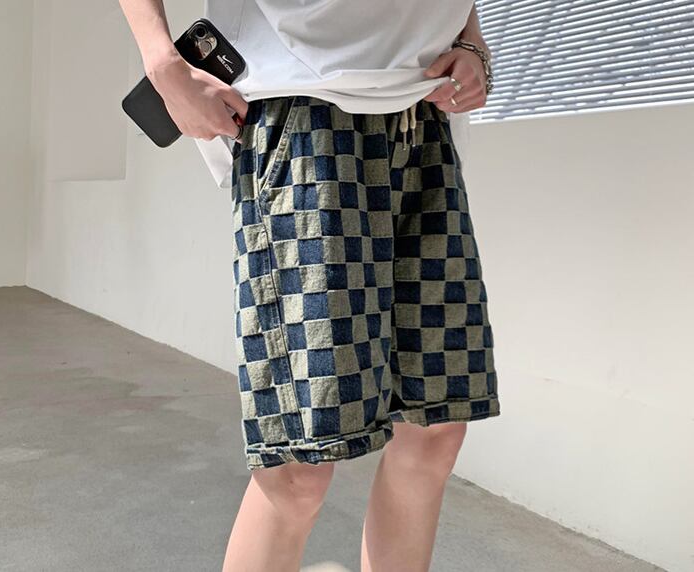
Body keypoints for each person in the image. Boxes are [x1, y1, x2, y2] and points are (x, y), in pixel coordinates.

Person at [118, 1, 500, 571]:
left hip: (425, 120)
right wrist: (163, 64)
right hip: (305, 113)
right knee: (298, 465)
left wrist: (470, 40)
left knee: (436, 428)